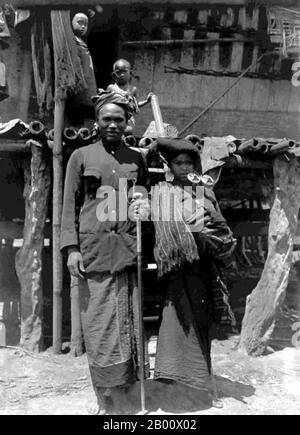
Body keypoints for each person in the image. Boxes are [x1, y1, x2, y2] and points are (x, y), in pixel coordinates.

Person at [60, 90, 149, 415]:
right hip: (93, 249)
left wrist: (143, 206)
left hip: (126, 249)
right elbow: (68, 206)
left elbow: (143, 201)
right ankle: (104, 395)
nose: (112, 124)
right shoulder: (80, 156)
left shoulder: (136, 159)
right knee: (98, 324)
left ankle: (125, 389)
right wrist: (71, 248)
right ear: (96, 123)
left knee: (127, 320)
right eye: (106, 119)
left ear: (127, 123)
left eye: (118, 119)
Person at [152, 138, 236, 406]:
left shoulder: (204, 193)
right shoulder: (161, 191)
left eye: (189, 162)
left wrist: (204, 232)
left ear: (196, 166)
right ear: (170, 166)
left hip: (203, 268)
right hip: (177, 269)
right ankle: (174, 389)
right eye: (178, 163)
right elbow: (163, 229)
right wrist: (186, 231)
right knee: (176, 327)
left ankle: (203, 387)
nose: (183, 167)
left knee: (202, 326)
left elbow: (222, 231)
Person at [107, 59, 153, 134]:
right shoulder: (111, 88)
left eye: (124, 72)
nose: (122, 75)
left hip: (127, 120)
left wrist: (147, 101)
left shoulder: (133, 89)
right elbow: (105, 104)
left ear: (130, 73)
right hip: (113, 118)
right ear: (114, 75)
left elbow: (136, 105)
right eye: (118, 72)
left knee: (129, 130)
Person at [70, 12, 98, 124]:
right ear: (72, 23)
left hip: (88, 80)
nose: (83, 26)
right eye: (79, 23)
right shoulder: (71, 41)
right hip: (79, 82)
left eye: (85, 24)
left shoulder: (82, 41)